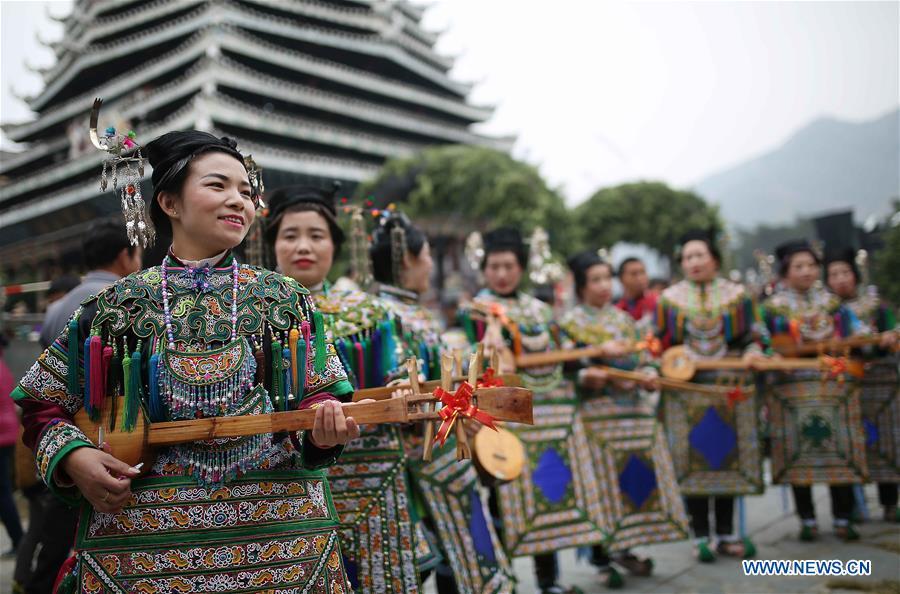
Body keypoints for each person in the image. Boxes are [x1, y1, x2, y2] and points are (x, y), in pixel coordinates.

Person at [12, 129, 361, 592]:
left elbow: (321, 395)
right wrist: (74, 456)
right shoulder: (116, 307)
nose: (239, 200)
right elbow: (43, 402)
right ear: (169, 203)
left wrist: (324, 427)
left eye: (246, 191)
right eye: (218, 185)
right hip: (146, 545)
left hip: (278, 540)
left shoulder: (285, 299)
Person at [264, 186, 433, 592]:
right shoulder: (253, 316)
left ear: (335, 246)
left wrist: (400, 388)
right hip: (285, 479)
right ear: (272, 245)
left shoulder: (371, 312)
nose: (303, 246)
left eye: (316, 235)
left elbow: (400, 369)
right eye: (290, 235)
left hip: (371, 471)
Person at [369, 213, 514, 594]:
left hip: (437, 444)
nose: (431, 264)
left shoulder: (408, 311)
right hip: (418, 454)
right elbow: (405, 377)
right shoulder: (387, 314)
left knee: (455, 547)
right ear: (408, 260)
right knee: (445, 549)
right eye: (427, 255)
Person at [457, 227, 594, 594]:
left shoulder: (541, 311)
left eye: (509, 266)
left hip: (546, 415)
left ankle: (548, 580)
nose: (501, 274)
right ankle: (506, 582)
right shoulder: (474, 310)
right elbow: (468, 358)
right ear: (484, 269)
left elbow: (563, 354)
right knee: (504, 495)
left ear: (521, 268)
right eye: (494, 266)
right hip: (501, 416)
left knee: (545, 490)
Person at [15, 219, 142, 594]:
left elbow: (43, 383)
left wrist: (66, 452)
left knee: (52, 536)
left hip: (68, 446)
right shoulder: (124, 301)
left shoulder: (58, 307)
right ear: (125, 255)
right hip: (113, 446)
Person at [560, 251, 683, 589]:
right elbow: (564, 370)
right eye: (595, 280)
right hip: (594, 417)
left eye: (607, 278)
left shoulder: (625, 321)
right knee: (598, 486)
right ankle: (601, 556)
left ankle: (625, 547)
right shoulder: (569, 324)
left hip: (631, 414)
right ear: (581, 286)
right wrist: (585, 376)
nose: (603, 286)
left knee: (629, 481)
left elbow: (646, 358)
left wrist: (648, 373)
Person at [655, 229, 763, 562]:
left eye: (700, 255)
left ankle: (728, 532)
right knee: (692, 460)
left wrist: (754, 351)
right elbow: (658, 341)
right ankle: (699, 533)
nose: (694, 262)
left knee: (726, 457)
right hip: (685, 391)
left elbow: (753, 336)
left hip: (727, 386)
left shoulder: (737, 297)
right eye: (688, 257)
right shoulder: (669, 300)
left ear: (714, 259)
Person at [761, 239, 858, 541]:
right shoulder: (772, 308)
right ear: (785, 271)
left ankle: (843, 516)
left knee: (839, 447)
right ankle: (807, 519)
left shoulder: (832, 304)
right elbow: (762, 342)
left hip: (832, 386)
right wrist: (772, 356)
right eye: (798, 266)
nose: (806, 271)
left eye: (811, 265)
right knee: (795, 452)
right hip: (790, 389)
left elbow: (856, 333)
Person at [824, 246, 898, 523]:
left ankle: (889, 502)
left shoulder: (876, 305)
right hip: (842, 382)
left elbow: (893, 330)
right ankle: (850, 506)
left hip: (879, 381)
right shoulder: (825, 312)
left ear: (855, 274)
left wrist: (889, 338)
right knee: (844, 442)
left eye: (845, 272)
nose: (841, 279)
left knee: (883, 439)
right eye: (834, 274)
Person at [0, 334, 23, 558]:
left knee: (3, 492)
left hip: (1, 435)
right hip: (7, 433)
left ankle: (18, 539)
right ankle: (18, 539)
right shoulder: (3, 366)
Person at [615, 257, 657, 332]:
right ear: (621, 279)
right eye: (634, 274)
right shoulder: (617, 311)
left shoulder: (657, 303)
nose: (640, 278)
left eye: (643, 272)